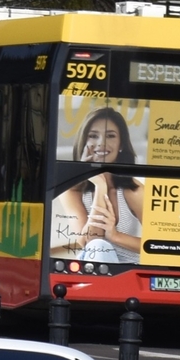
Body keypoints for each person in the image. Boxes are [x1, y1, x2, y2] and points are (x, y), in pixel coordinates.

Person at [54, 107, 141, 265]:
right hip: (92, 268)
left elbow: (157, 245)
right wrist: (100, 186)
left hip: (128, 269)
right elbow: (87, 242)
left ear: (121, 144)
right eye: (93, 136)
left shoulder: (133, 190)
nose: (101, 143)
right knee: (98, 246)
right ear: (84, 142)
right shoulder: (71, 189)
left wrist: (115, 236)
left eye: (110, 136)